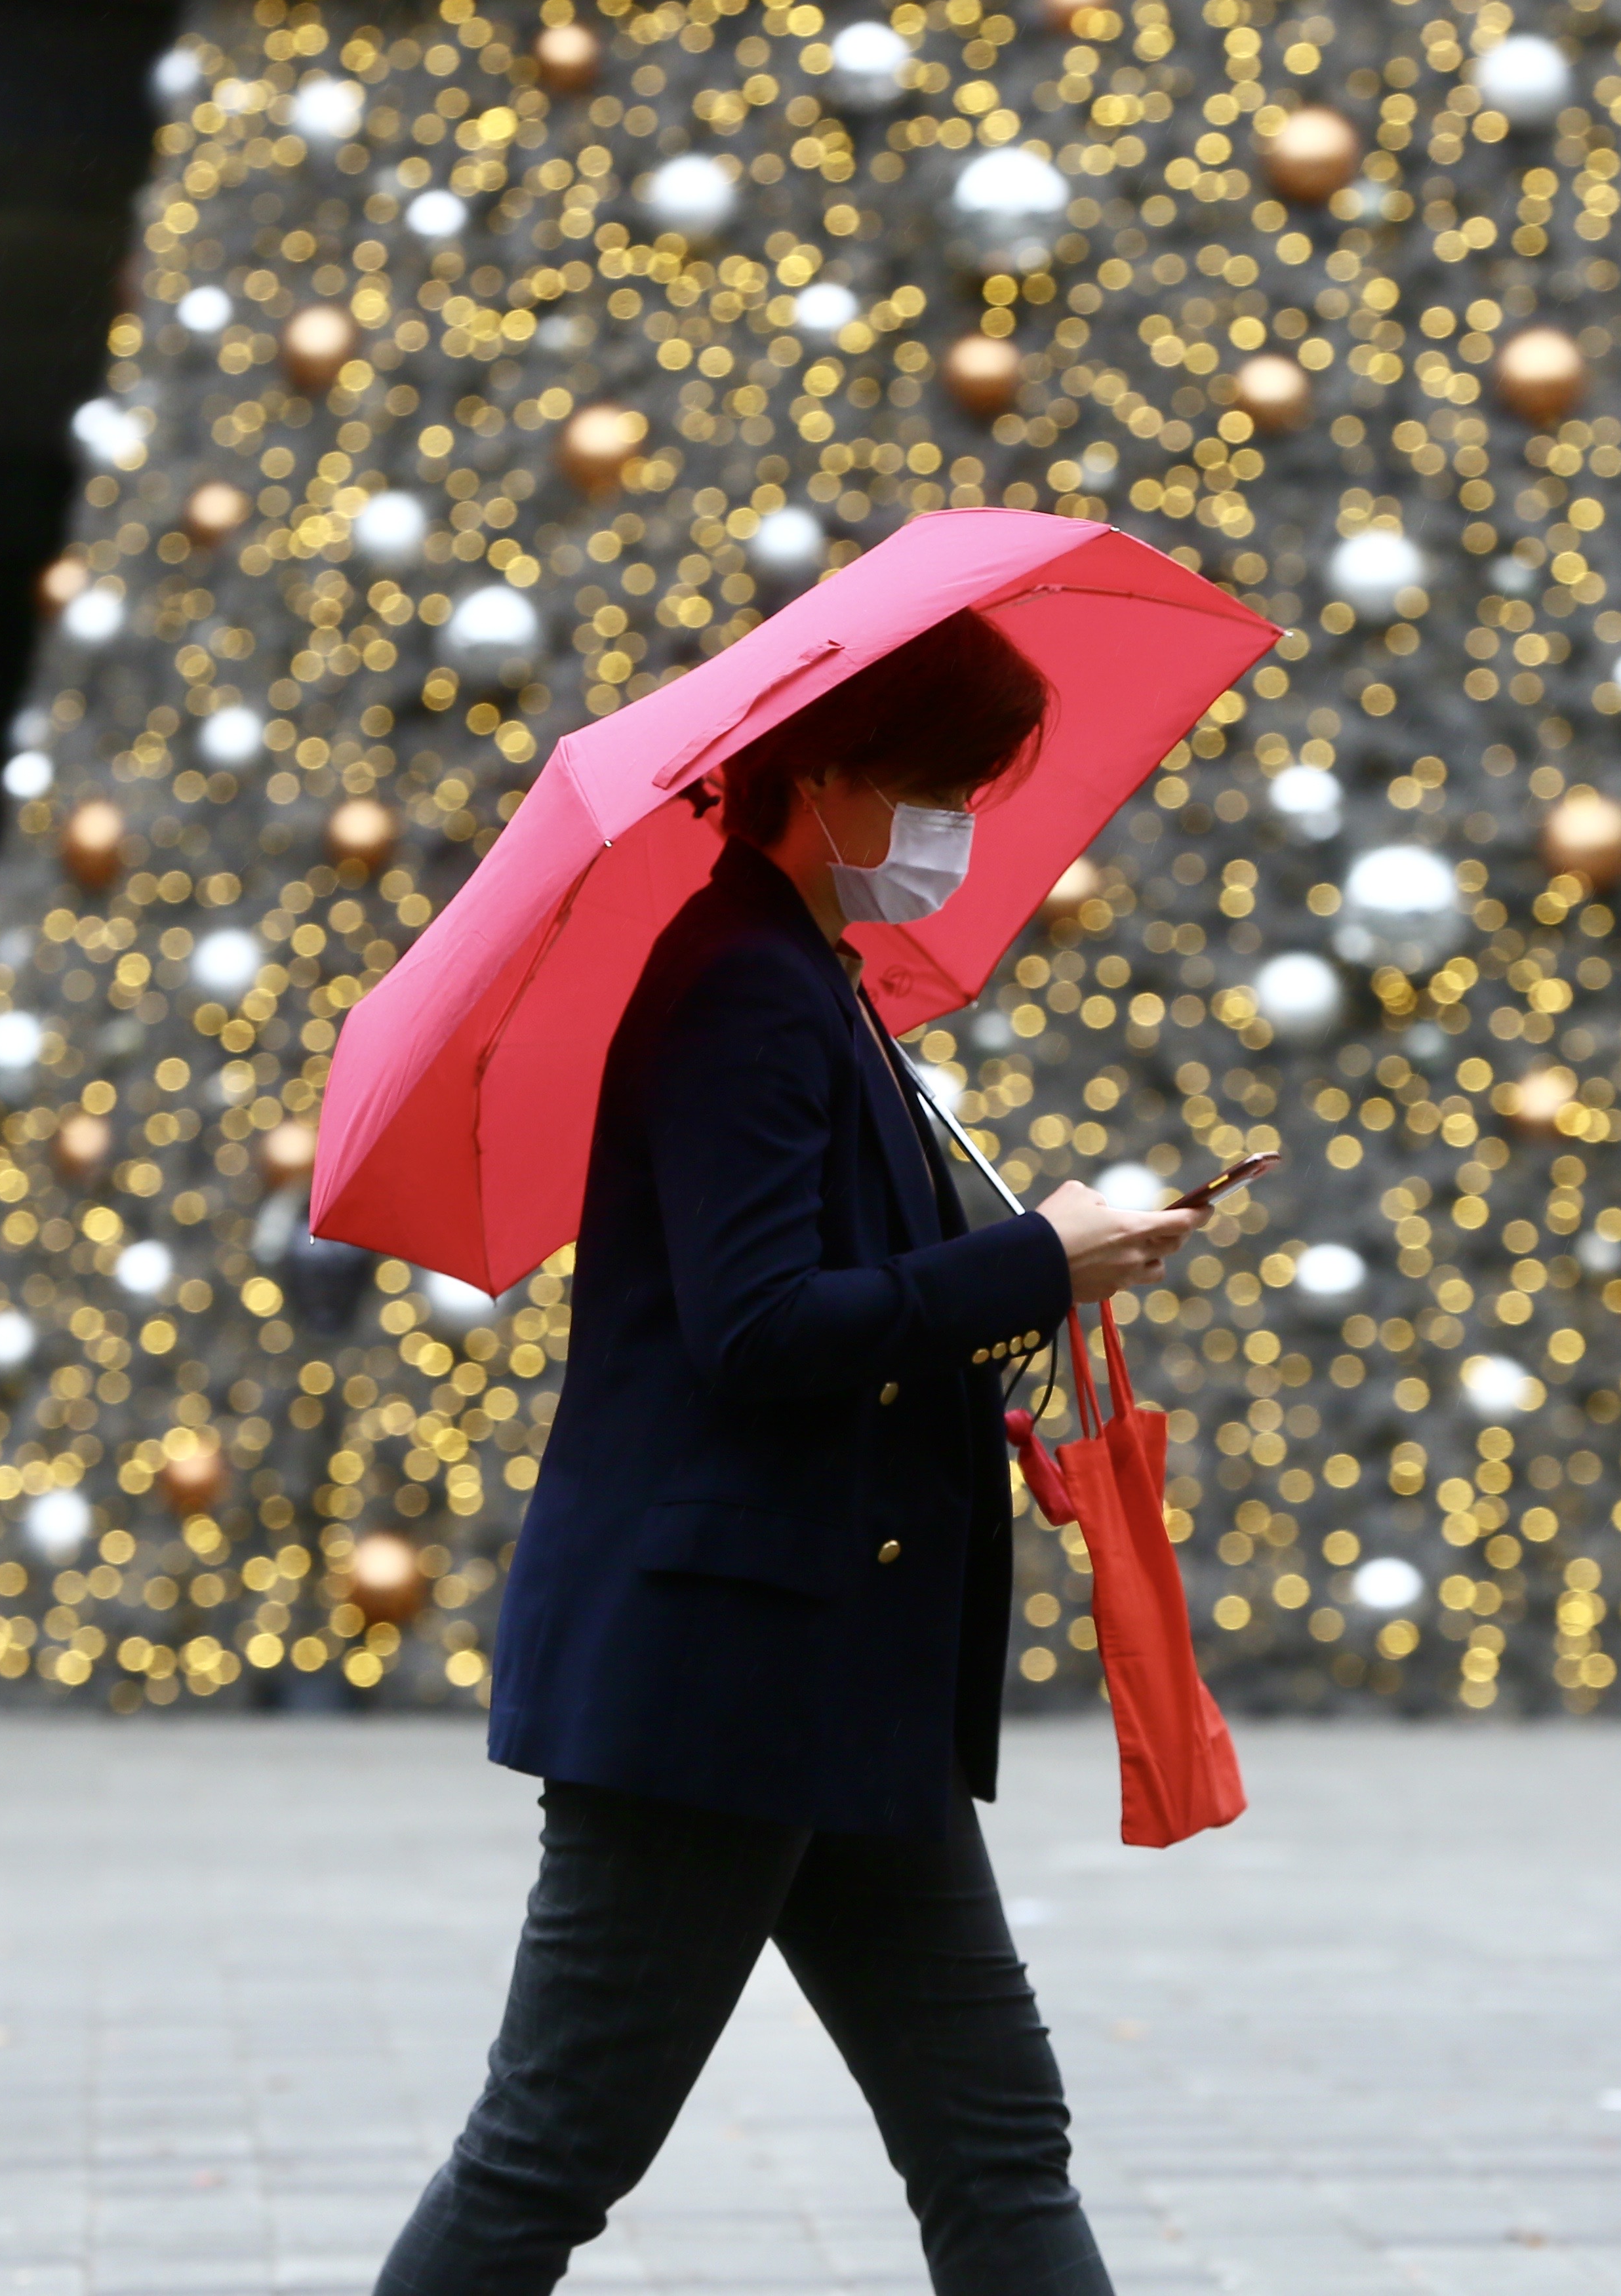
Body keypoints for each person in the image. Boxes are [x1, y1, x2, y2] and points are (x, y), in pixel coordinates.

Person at [374, 608, 1199, 2295]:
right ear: (821, 778)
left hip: (836, 1668)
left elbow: (857, 1302)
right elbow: (757, 1330)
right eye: (935, 785)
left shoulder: (807, 974)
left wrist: (1051, 1262)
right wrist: (1036, 1258)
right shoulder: (739, 983)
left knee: (992, 2139)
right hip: (722, 1682)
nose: (954, 825)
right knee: (548, 2153)